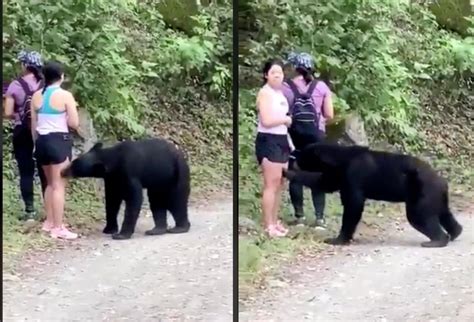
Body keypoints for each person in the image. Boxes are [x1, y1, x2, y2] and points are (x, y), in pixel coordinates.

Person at [282, 52, 334, 229]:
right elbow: (329, 114)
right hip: (317, 137)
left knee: (296, 175)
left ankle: (300, 218)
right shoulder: (321, 87)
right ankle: (319, 219)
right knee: (317, 175)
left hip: (294, 137)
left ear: (294, 67)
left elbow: (282, 111)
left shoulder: (285, 87)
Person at [30, 61, 80, 239]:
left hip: (42, 142)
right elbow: (74, 123)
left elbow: (34, 125)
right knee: (59, 185)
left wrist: (36, 143)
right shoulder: (65, 96)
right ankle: (58, 227)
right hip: (59, 141)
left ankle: (49, 222)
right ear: (61, 77)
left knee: (50, 183)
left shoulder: (36, 96)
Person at [3, 50, 48, 221]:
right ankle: (50, 209)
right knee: (45, 171)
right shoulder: (45, 85)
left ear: (25, 65)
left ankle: (30, 211)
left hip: (22, 131)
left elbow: (7, 112)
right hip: (43, 131)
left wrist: (17, 113)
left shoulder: (16, 85)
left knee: (26, 171)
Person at [255, 59, 293, 237]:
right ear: (266, 75)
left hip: (282, 139)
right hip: (268, 140)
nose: (277, 75)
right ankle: (268, 225)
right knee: (271, 183)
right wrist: (285, 120)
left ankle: (275, 221)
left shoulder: (281, 93)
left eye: (280, 72)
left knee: (280, 183)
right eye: (273, 72)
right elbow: (267, 121)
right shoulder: (265, 93)